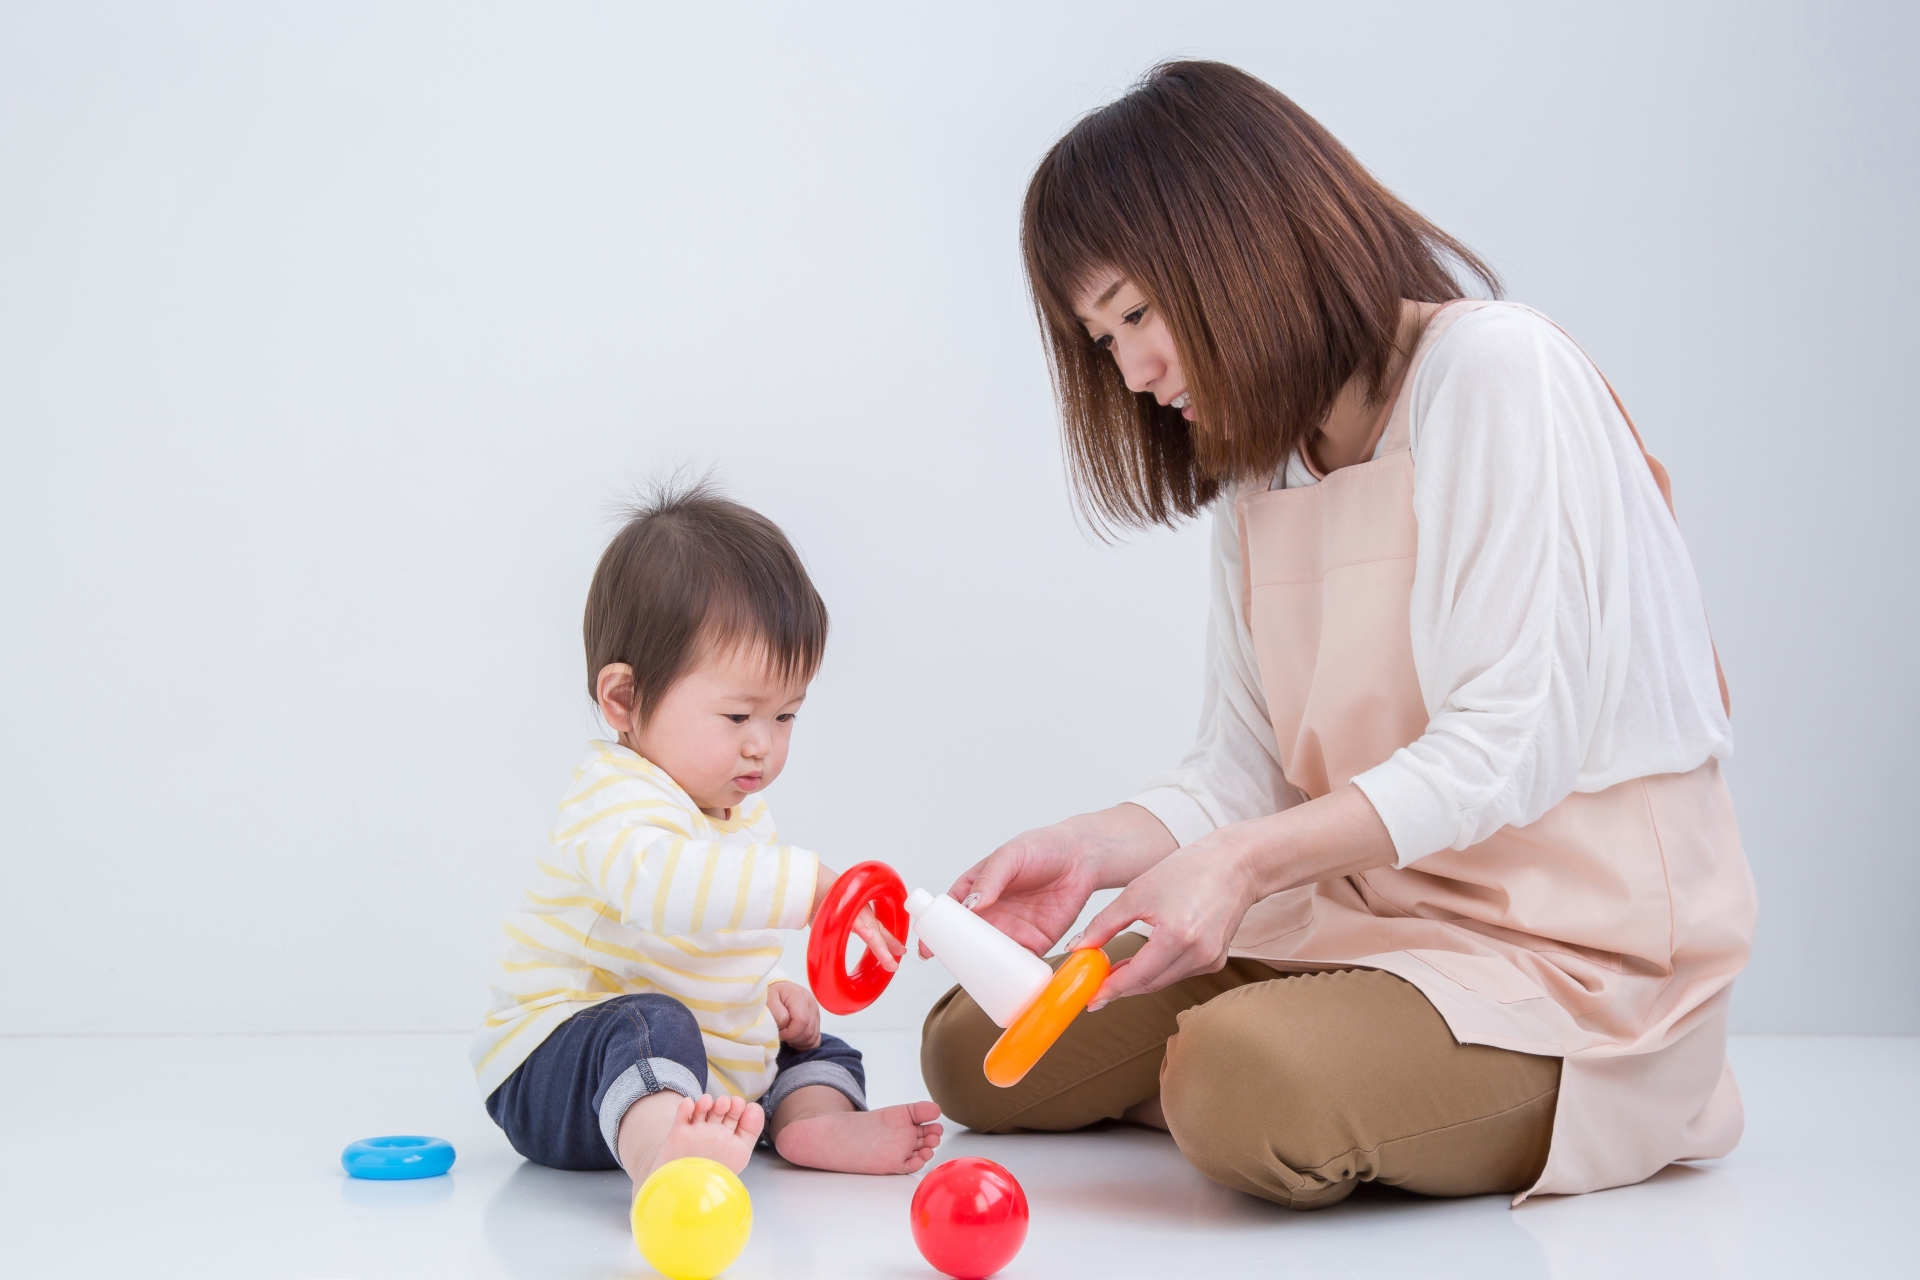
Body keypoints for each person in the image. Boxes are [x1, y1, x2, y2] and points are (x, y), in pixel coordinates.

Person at [920, 61, 1756, 1209]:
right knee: (975, 1045)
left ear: (1239, 245)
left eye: (1137, 314)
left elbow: (1512, 742)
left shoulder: (1496, 370)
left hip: (1566, 954)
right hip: (1357, 917)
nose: (1135, 371)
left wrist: (1235, 868)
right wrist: (1095, 847)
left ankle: (1488, 1084)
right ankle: (1320, 1054)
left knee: (1238, 1085)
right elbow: (1241, 769)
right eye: (1101, 339)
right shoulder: (1261, 457)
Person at [473, 482, 942, 1195]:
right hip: (555, 1069)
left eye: (786, 716)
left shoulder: (736, 808)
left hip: (686, 1064)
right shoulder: (612, 797)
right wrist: (811, 888)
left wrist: (769, 992)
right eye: (737, 716)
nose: (764, 747)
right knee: (647, 1022)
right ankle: (662, 1154)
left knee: (808, 1043)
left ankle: (810, 1122)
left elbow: (711, 942)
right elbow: (668, 892)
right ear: (624, 700)